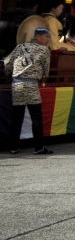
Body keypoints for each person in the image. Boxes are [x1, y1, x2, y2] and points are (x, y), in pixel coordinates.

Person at [4, 25, 53, 154]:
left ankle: (14, 147)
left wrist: (10, 76)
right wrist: (43, 76)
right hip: (31, 85)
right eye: (46, 36)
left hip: (17, 84)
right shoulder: (44, 50)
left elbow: (7, 64)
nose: (48, 39)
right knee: (36, 117)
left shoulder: (20, 46)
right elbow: (46, 71)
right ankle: (39, 147)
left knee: (17, 117)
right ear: (37, 36)